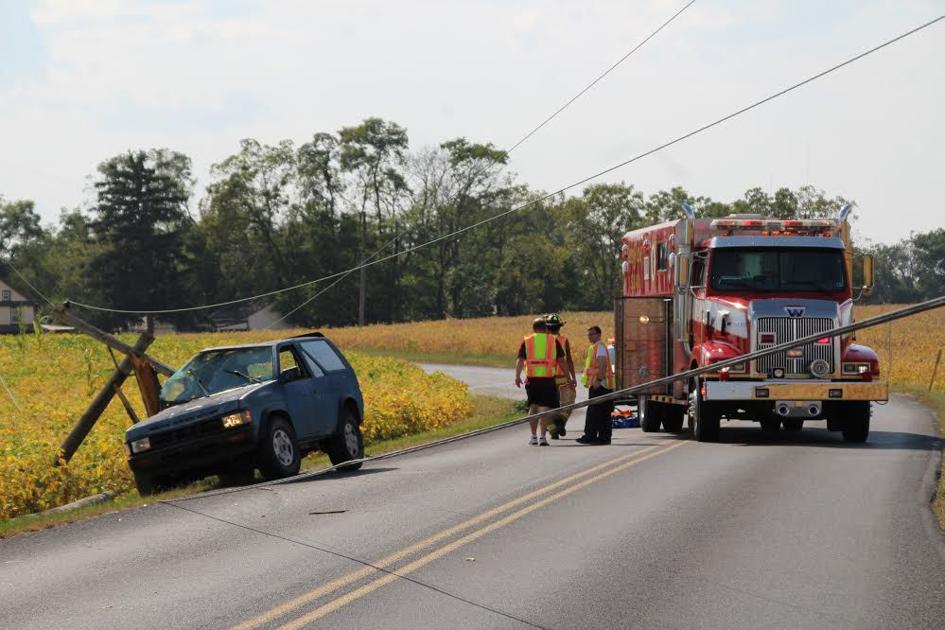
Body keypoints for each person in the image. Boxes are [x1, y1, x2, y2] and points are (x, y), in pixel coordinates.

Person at [515, 318, 567, 446]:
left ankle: (533, 436)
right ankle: (543, 437)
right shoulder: (553, 341)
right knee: (545, 409)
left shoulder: (527, 341)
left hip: (532, 380)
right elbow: (561, 361)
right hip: (548, 380)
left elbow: (520, 360)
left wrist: (517, 376)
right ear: (545, 328)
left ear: (533, 328)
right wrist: (569, 377)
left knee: (533, 407)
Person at [577, 325, 616, 445]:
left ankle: (599, 437)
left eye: (591, 334)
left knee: (600, 412)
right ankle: (592, 435)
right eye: (588, 334)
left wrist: (598, 380)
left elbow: (602, 364)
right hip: (597, 384)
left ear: (599, 335)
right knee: (595, 411)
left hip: (601, 385)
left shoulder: (599, 347)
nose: (589, 337)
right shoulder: (594, 347)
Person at [544, 313, 576, 439]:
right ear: (560, 327)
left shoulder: (541, 341)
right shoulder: (563, 340)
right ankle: (561, 422)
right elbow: (569, 360)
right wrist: (572, 378)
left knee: (546, 406)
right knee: (568, 402)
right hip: (563, 377)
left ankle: (553, 430)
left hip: (547, 378)